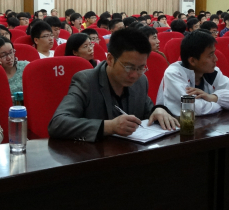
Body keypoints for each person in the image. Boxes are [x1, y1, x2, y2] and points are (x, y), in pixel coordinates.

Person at [48, 28, 179, 141]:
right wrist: (110, 126)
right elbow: (57, 124)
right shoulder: (86, 81)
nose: (134, 75)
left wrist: (158, 110)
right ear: (110, 59)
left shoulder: (141, 81)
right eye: (129, 67)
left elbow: (148, 110)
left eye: (140, 68)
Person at [157, 30, 229, 116]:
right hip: (180, 124)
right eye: (210, 55)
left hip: (209, 123)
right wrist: (224, 104)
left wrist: (213, 97)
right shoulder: (174, 73)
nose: (216, 59)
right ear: (192, 61)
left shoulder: (213, 71)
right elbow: (196, 109)